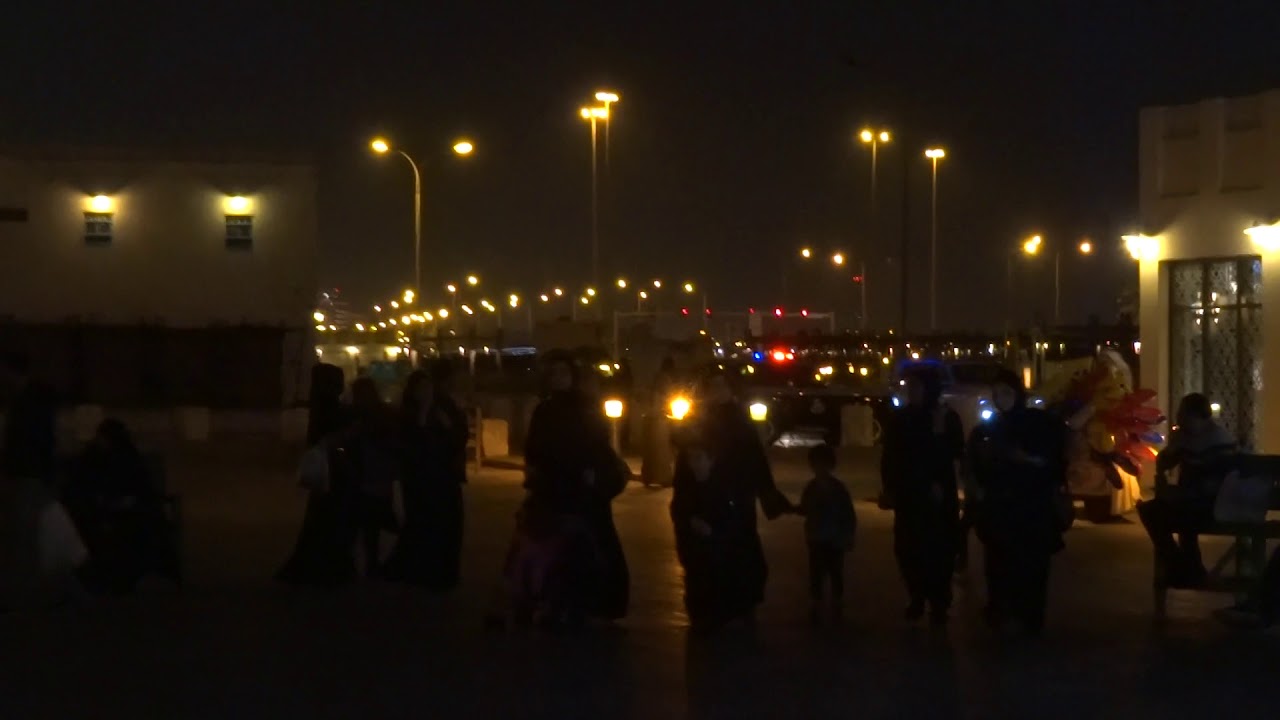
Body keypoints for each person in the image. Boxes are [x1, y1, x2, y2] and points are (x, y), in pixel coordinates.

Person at [670, 369, 792, 632]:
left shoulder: (738, 423)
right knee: (704, 554)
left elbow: (753, 460)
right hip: (703, 497)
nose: (716, 392)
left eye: (720, 386)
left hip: (734, 498)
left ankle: (736, 605)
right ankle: (709, 609)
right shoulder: (698, 422)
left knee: (735, 550)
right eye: (712, 386)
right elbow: (684, 459)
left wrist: (765, 493)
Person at [519, 353, 627, 625]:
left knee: (588, 544)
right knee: (553, 548)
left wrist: (591, 471)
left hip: (582, 488)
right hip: (553, 487)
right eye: (555, 374)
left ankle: (592, 604)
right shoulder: (544, 410)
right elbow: (535, 446)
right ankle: (556, 602)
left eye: (564, 374)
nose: (559, 379)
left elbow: (597, 443)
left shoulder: (585, 408)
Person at [970, 370, 1068, 635]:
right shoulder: (991, 429)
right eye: (996, 394)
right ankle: (1003, 611)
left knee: (1031, 566)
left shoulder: (1035, 424)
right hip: (1002, 508)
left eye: (1006, 393)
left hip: (1030, 508)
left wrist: (1025, 460)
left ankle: (1028, 616)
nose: (1001, 399)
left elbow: (1051, 460)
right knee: (1000, 563)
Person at [880, 369, 964, 625]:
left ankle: (939, 601)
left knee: (939, 551)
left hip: (938, 497)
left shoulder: (946, 417)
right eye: (910, 387)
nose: (912, 392)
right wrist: (890, 488)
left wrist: (938, 433)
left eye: (917, 387)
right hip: (910, 495)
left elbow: (954, 452)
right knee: (908, 549)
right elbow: (891, 457)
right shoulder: (900, 419)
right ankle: (916, 596)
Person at [1137, 393, 1237, 588]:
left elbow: (1218, 482)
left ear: (1200, 417)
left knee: (1176, 517)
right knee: (1151, 511)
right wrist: (1173, 447)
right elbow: (1165, 462)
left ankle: (1186, 569)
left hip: (1212, 505)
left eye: (1184, 417)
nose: (1180, 421)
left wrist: (1184, 493)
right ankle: (1186, 568)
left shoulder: (1218, 441)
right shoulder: (1187, 437)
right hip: (1192, 501)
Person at [383, 364, 468, 590]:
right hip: (419, 478)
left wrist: (447, 424)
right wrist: (422, 416)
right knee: (422, 522)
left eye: (427, 386)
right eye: (420, 388)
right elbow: (407, 443)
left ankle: (442, 572)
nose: (425, 391)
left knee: (446, 524)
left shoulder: (445, 406)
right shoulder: (408, 412)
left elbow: (457, 437)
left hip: (443, 476)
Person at [63, 419, 173, 592]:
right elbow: (81, 485)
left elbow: (141, 487)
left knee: (144, 522)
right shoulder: (93, 458)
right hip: (101, 510)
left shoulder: (126, 457)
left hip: (127, 510)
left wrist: (128, 500)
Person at [277, 363, 358, 587]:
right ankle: (326, 567)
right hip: (333, 472)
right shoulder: (331, 407)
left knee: (321, 520)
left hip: (327, 473)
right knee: (332, 520)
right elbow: (334, 436)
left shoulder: (320, 405)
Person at [794, 443, 857, 625]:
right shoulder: (827, 488)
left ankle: (830, 599)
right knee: (820, 570)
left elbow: (847, 514)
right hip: (821, 537)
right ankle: (820, 599)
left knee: (832, 570)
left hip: (827, 537)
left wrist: (849, 534)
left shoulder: (824, 488)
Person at [348, 376, 400, 578]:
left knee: (368, 523)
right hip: (378, 475)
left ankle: (369, 562)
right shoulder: (383, 413)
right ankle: (373, 562)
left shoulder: (361, 415)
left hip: (368, 475)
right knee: (375, 522)